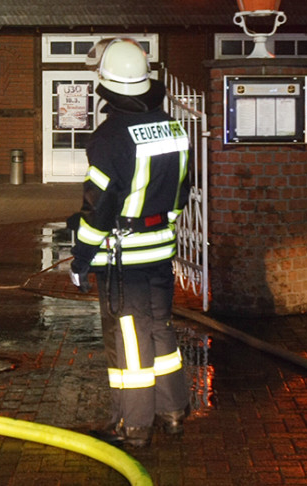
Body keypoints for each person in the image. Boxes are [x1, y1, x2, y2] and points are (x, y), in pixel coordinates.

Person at [68, 38, 193, 450]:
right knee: (160, 330)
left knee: (130, 340)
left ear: (107, 82)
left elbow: (98, 208)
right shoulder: (173, 127)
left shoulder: (109, 138)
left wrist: (81, 258)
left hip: (124, 258)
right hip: (161, 251)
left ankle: (133, 425)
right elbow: (182, 191)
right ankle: (173, 411)